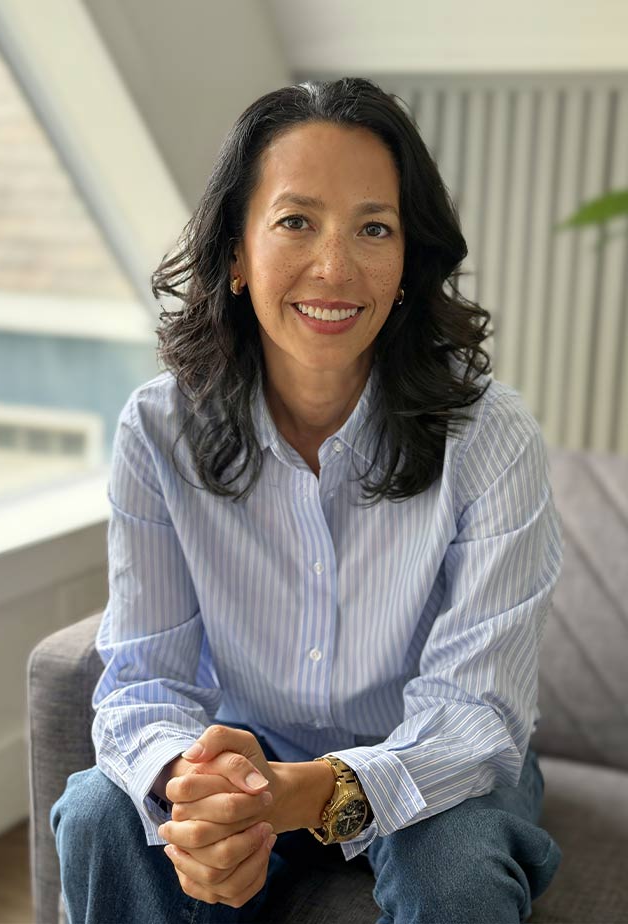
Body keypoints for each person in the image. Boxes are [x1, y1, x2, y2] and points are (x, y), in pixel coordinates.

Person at [51, 76, 564, 924]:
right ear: (237, 255)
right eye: (296, 222)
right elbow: (144, 679)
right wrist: (202, 790)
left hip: (431, 764)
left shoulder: (493, 437)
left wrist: (306, 797)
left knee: (456, 873)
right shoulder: (156, 430)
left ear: (408, 263)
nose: (335, 267)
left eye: (374, 228)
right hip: (245, 756)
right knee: (104, 814)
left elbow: (478, 715)